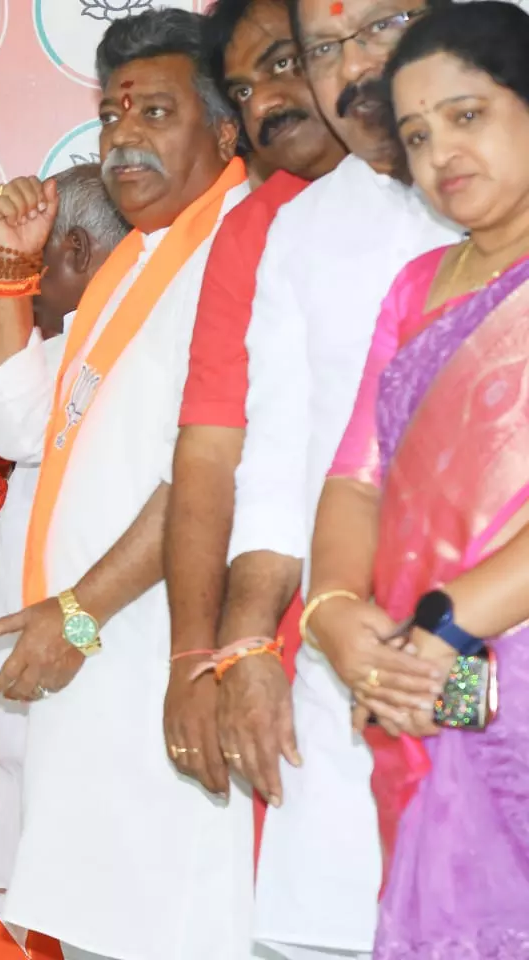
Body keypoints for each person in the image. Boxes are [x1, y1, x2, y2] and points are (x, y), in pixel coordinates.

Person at [0, 9, 252, 958]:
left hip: (152, 669)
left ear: (225, 130)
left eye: (154, 112)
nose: (122, 137)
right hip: (90, 680)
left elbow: (210, 473)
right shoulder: (134, 259)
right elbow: (19, 428)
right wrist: (11, 277)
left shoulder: (234, 251)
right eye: (110, 115)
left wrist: (81, 615)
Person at [224, 0, 459, 954]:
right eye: (324, 46)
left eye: (382, 23)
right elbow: (283, 456)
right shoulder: (305, 229)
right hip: (345, 666)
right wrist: (252, 644)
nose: (355, 64)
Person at [308, 3, 529, 953]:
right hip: (416, 694)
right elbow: (356, 478)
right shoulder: (417, 287)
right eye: (417, 134)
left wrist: (443, 629)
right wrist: (333, 612)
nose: (442, 153)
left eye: (467, 115)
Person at [163, 0, 345, 822]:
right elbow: (223, 451)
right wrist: (210, 654)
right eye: (241, 89)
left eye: (281, 64)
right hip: (304, 624)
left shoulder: (473, 183)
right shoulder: (263, 231)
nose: (263, 103)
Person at [0, 165, 130, 938]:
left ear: (77, 252)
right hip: (43, 689)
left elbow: (140, 552)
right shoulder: (72, 352)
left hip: (92, 689)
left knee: (108, 920)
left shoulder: (125, 352)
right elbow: (21, 445)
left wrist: (75, 634)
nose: (29, 283)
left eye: (39, 262)